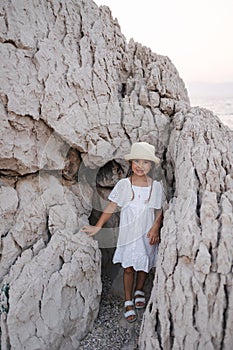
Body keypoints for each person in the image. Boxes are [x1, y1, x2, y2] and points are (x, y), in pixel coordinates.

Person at [81, 142, 164, 323]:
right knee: (128, 268)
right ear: (131, 163)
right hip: (129, 234)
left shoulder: (155, 187)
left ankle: (139, 290)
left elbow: (159, 209)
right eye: (137, 161)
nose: (140, 166)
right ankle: (128, 300)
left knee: (145, 264)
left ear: (151, 166)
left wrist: (156, 227)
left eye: (145, 162)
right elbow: (111, 206)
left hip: (147, 233)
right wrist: (98, 226)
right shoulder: (124, 185)